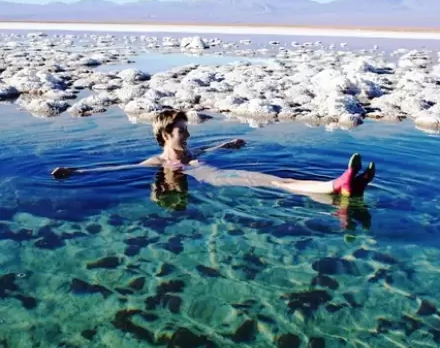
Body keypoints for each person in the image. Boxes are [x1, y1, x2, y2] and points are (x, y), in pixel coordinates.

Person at [51, 109, 375, 197]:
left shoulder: (189, 149)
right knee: (279, 182)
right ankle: (337, 185)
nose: (187, 132)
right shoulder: (160, 160)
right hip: (219, 180)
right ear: (165, 134)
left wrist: (227, 145)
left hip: (223, 172)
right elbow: (118, 168)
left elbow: (205, 148)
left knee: (284, 180)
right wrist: (77, 171)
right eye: (180, 129)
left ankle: (342, 189)